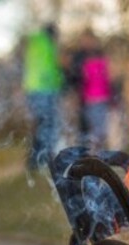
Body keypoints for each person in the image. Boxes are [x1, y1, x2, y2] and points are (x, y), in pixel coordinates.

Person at [23, 24, 63, 170]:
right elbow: (52, 68)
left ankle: (35, 159)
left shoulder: (34, 43)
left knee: (39, 124)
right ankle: (44, 157)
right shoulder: (48, 45)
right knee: (47, 124)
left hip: (32, 89)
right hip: (46, 89)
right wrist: (60, 83)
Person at [68, 29, 112, 149]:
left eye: (89, 39)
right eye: (84, 39)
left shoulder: (101, 56)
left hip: (101, 98)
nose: (87, 42)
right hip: (86, 98)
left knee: (100, 128)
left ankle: (101, 153)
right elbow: (73, 78)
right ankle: (85, 155)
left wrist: (112, 96)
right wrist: (74, 95)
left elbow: (108, 78)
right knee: (84, 128)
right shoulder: (78, 57)